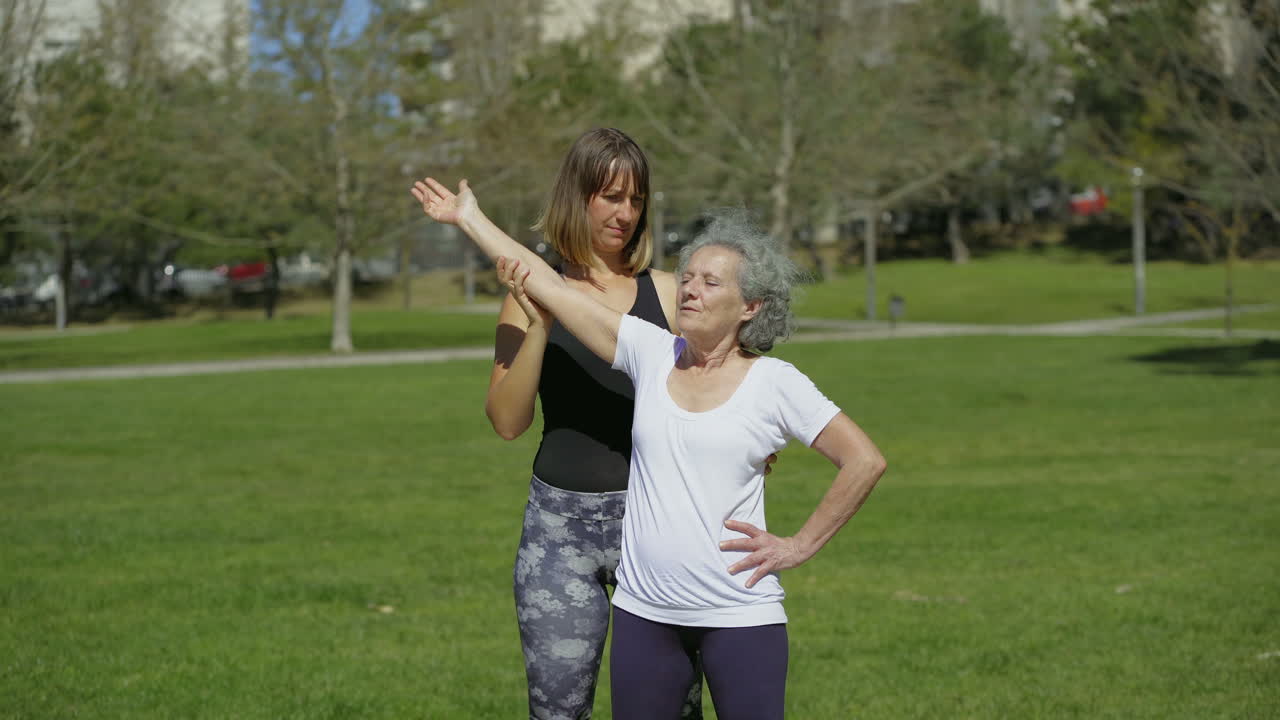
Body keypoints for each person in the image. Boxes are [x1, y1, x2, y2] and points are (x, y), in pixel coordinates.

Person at [411, 175, 887, 720]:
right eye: (688, 278)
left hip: (739, 613)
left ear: (750, 305)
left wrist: (798, 546)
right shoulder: (651, 352)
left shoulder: (775, 382)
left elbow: (865, 459)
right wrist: (470, 218)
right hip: (645, 612)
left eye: (711, 283)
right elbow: (552, 288)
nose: (690, 289)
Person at [467, 128, 728, 719]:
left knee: (671, 710)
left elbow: (717, 386)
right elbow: (507, 422)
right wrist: (538, 325)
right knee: (557, 712)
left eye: (635, 200)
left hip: (657, 526)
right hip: (558, 534)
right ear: (576, 196)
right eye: (611, 196)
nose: (625, 214)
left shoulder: (665, 293)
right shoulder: (532, 293)